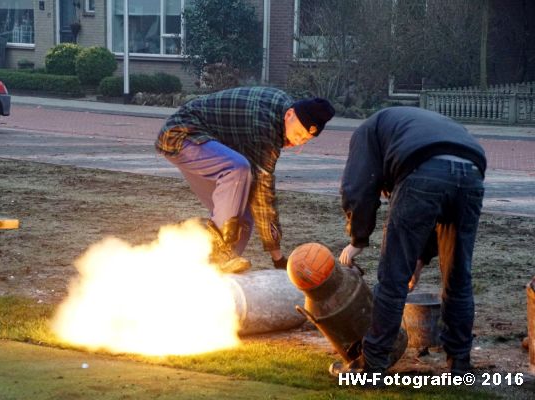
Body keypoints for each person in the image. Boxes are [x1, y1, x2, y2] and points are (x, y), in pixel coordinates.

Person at [336, 106, 487, 375]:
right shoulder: (405, 128)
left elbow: (358, 187)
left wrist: (358, 238)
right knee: (458, 277)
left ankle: (372, 366)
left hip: (423, 168)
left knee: (392, 279)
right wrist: (419, 259)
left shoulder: (367, 131)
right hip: (472, 172)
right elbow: (434, 207)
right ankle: (460, 365)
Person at [156, 86, 335, 273]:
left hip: (207, 143)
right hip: (181, 134)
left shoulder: (283, 109)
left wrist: (276, 255)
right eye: (298, 134)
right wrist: (277, 257)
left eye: (305, 140)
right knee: (238, 169)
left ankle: (214, 272)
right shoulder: (264, 126)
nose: (298, 142)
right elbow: (263, 194)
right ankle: (214, 252)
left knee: (243, 217)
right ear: (289, 114)